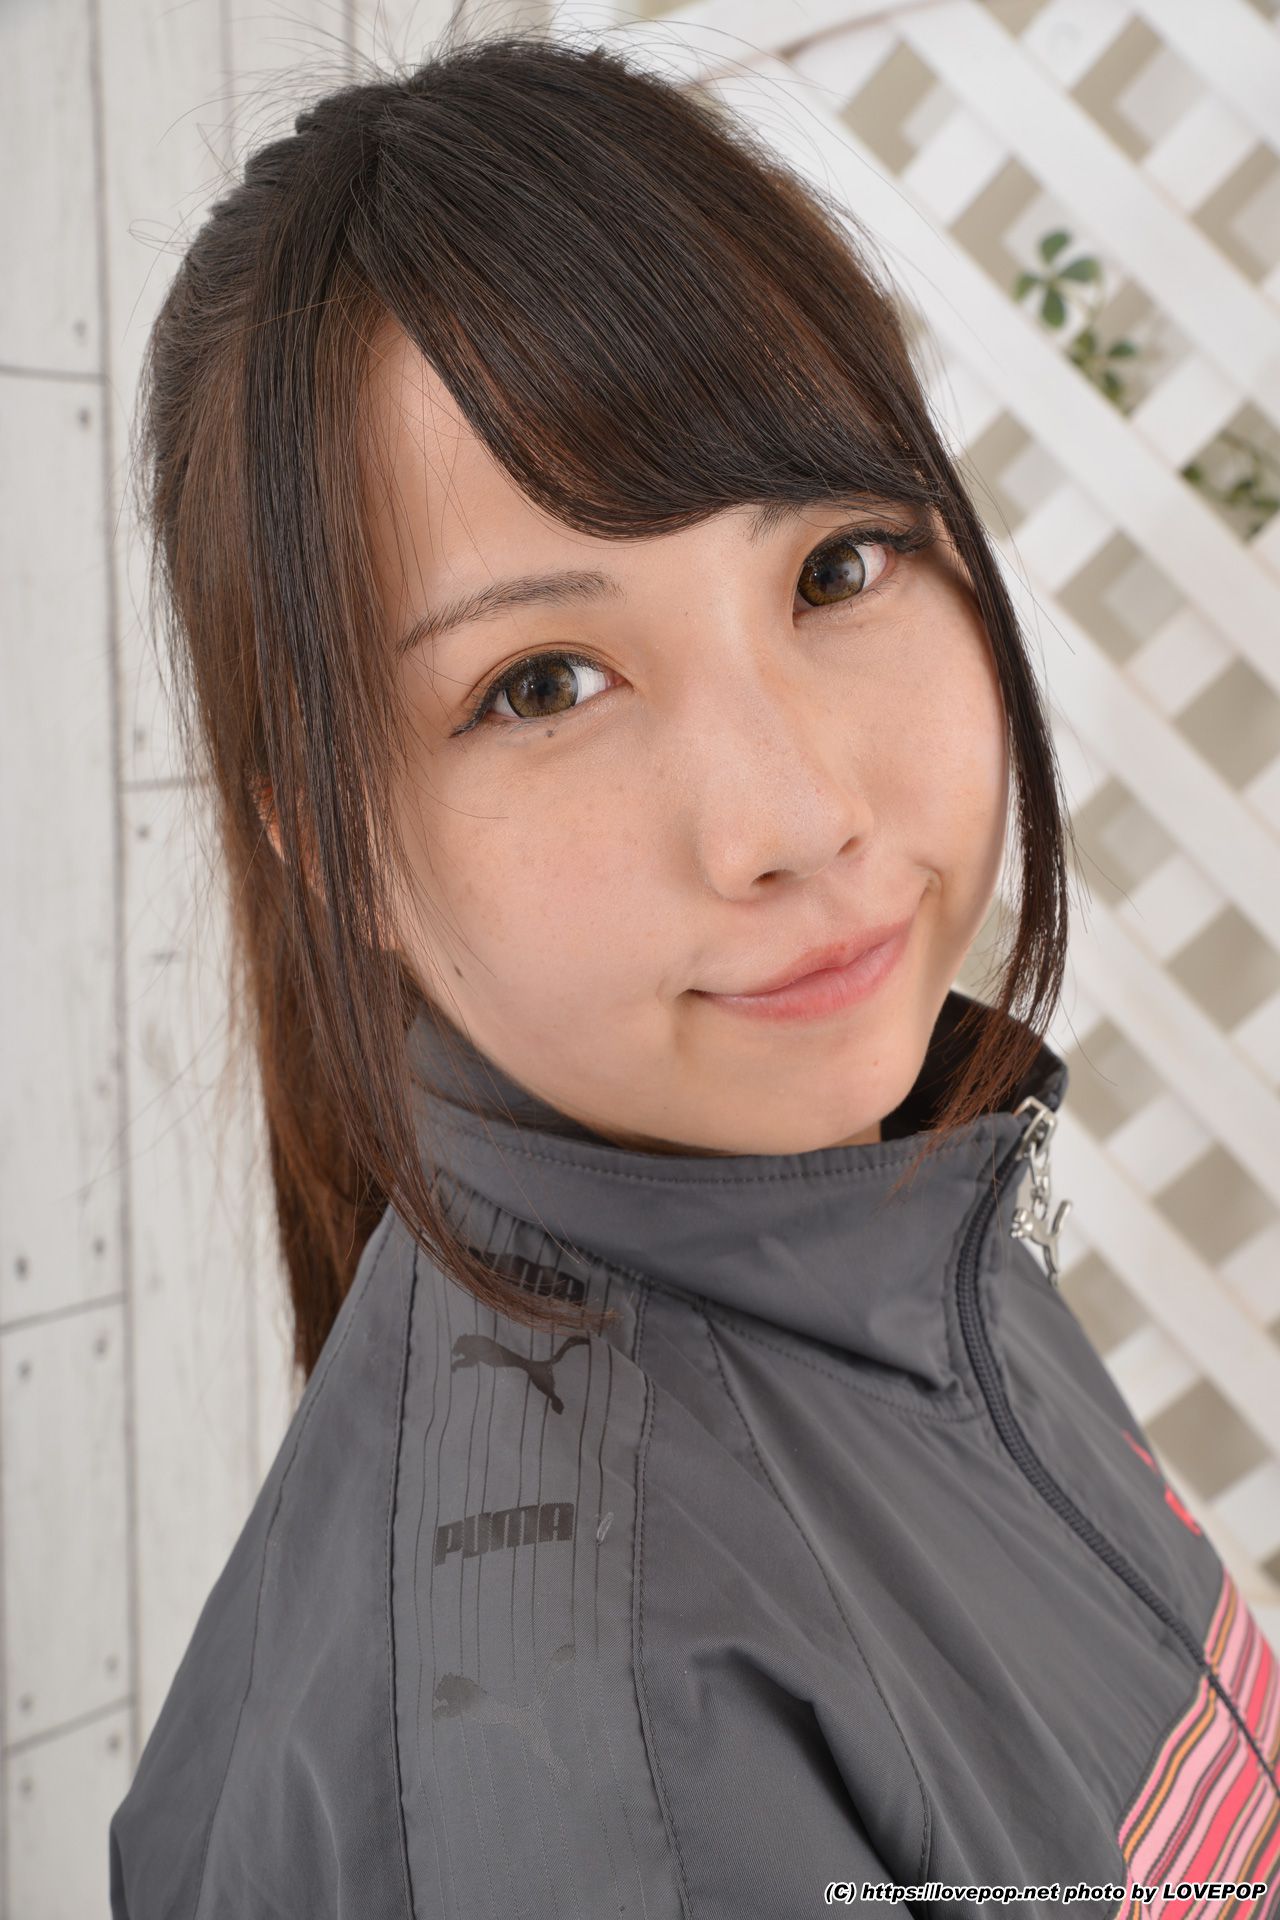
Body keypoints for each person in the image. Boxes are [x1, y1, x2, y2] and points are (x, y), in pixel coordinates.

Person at [107, 23, 1279, 1919]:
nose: (795, 817)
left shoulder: (877, 1190)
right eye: (544, 684)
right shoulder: (615, 1765)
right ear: (330, 844)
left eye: (837, 568)